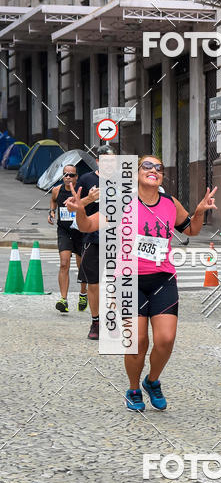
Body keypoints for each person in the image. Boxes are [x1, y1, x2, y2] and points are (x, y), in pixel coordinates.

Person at [68, 156, 217, 413]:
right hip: (127, 280)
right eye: (147, 166)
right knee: (137, 340)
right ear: (136, 174)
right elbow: (88, 225)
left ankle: (152, 380)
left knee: (165, 339)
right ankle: (134, 388)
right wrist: (81, 211)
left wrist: (200, 212)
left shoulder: (170, 203)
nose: (154, 170)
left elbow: (190, 230)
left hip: (163, 278)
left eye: (159, 167)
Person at [77, 144, 115, 340]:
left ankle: (113, 320)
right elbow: (75, 206)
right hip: (94, 236)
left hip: (118, 238)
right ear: (98, 161)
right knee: (94, 283)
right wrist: (89, 199)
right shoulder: (87, 179)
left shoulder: (123, 181)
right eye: (106, 160)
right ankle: (96, 322)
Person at [48, 164, 88, 313]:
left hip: (81, 231)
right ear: (62, 176)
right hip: (64, 231)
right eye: (66, 175)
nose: (69, 178)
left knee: (81, 265)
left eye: (72, 175)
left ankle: (83, 294)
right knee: (64, 263)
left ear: (77, 177)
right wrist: (52, 211)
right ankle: (63, 300)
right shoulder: (56, 190)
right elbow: (53, 201)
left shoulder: (81, 192)